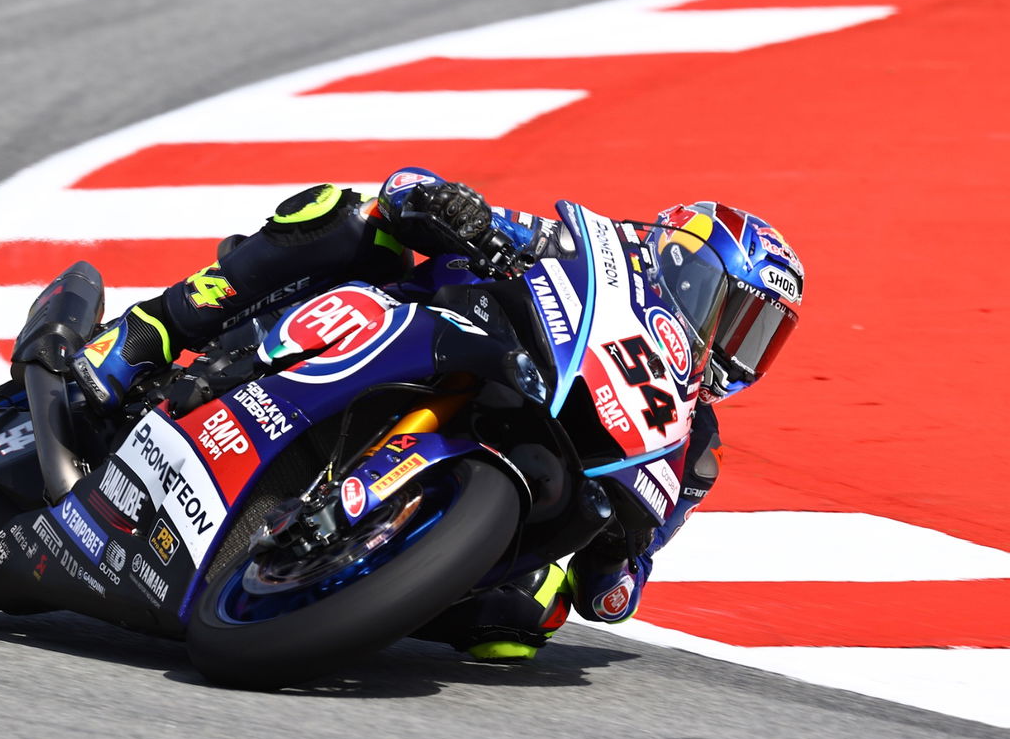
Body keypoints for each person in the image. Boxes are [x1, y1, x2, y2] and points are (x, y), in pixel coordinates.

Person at [70, 167, 805, 661]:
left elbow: (613, 593)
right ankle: (146, 333)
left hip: (514, 467)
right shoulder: (600, 254)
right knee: (347, 218)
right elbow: (411, 189)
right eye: (738, 316)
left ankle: (343, 582)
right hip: (435, 335)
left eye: (761, 337)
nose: (738, 347)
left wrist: (617, 558)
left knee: (526, 620)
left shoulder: (693, 444)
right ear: (687, 268)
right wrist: (459, 214)